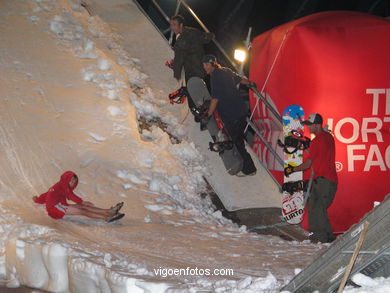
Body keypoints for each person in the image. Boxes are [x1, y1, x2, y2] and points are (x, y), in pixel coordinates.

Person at [285, 113, 338, 243]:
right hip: (326, 180)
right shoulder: (328, 137)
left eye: (310, 125)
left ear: (317, 125)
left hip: (324, 181)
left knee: (317, 210)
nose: (308, 128)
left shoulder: (317, 141)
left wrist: (292, 169)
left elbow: (308, 164)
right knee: (317, 209)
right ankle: (326, 237)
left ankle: (320, 240)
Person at [202, 55, 257, 177]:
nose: (205, 67)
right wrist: (251, 83)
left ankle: (249, 169)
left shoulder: (215, 77)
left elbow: (215, 98)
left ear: (212, 64)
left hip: (231, 115)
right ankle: (247, 166)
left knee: (237, 143)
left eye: (207, 65)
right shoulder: (226, 70)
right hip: (241, 111)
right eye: (204, 65)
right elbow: (240, 79)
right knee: (238, 140)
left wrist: (208, 114)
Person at [33, 171, 124, 222]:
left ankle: (108, 211)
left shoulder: (59, 186)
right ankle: (106, 217)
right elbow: (70, 195)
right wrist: (82, 201)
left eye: (74, 181)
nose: (72, 183)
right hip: (55, 209)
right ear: (66, 179)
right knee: (82, 210)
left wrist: (37, 200)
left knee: (83, 207)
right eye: (71, 181)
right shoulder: (62, 185)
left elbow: (46, 194)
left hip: (60, 204)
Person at [170, 14, 214, 83]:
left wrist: (176, 77)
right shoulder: (193, 31)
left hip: (192, 73)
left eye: (174, 25)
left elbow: (178, 61)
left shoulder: (181, 41)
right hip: (202, 69)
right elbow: (205, 38)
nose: (172, 27)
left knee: (192, 89)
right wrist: (211, 35)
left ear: (181, 25)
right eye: (171, 25)